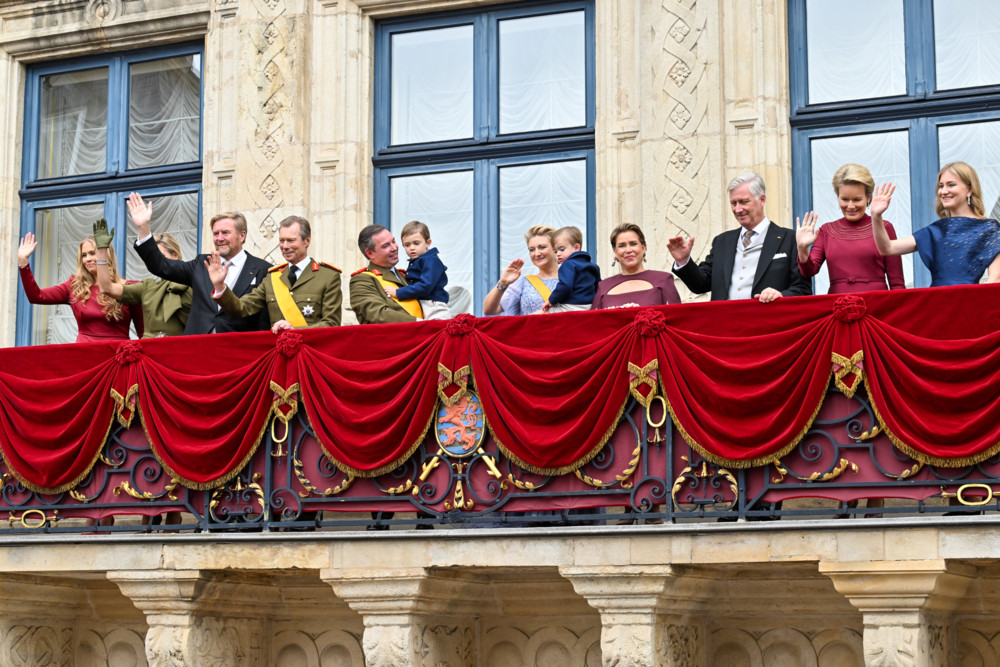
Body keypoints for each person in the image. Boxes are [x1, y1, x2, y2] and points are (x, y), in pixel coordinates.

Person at [131, 193, 272, 334]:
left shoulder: (263, 269)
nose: (219, 238)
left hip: (238, 348)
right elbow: (161, 266)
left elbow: (264, 318)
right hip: (198, 347)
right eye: (216, 234)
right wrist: (143, 228)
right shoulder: (201, 263)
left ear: (242, 235)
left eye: (225, 233)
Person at [668, 172, 811, 302]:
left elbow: (802, 289)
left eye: (743, 202)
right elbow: (700, 285)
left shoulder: (790, 239)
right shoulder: (722, 241)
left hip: (768, 325)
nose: (737, 209)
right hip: (725, 326)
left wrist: (780, 295)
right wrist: (684, 261)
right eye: (733, 203)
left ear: (762, 200)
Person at [872, 162, 1000, 285]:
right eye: (941, 186)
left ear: (969, 190)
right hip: (937, 302)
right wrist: (876, 216)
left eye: (951, 185)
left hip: (970, 302)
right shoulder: (937, 230)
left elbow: (995, 279)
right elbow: (887, 248)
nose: (943, 191)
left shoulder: (990, 229)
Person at [209, 216, 342, 331]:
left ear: (307, 241)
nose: (284, 246)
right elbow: (241, 308)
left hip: (311, 352)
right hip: (279, 354)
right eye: (281, 240)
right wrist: (220, 285)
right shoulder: (273, 277)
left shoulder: (328, 276)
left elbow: (332, 324)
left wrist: (294, 330)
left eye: (290, 240)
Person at [796, 163, 905, 293]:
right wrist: (802, 249)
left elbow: (897, 282)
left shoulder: (885, 227)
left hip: (878, 305)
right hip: (838, 305)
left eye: (857, 199)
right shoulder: (826, 231)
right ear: (838, 198)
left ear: (868, 198)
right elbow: (809, 272)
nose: (851, 205)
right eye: (845, 199)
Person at [17, 232, 142, 343]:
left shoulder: (130, 288)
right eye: (84, 255)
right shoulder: (74, 287)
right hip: (84, 356)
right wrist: (23, 262)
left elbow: (142, 332)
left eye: (92, 253)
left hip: (118, 357)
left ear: (106, 255)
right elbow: (36, 296)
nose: (87, 259)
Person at [93, 220, 192, 338]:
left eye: (160, 257)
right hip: (150, 351)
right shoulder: (148, 287)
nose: (157, 263)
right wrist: (102, 250)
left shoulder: (195, 282)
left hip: (182, 351)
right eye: (154, 259)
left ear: (175, 255)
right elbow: (106, 288)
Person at [591, 223, 681, 309]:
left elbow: (677, 318)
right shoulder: (603, 286)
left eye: (633, 244)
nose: (628, 250)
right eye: (622, 246)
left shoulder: (663, 279)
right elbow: (594, 322)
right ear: (615, 251)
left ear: (643, 247)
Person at [350, 225, 421, 324]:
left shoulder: (405, 275)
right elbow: (379, 314)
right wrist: (421, 322)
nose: (394, 248)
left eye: (393, 241)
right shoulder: (361, 280)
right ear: (370, 254)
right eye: (386, 245)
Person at [482, 225, 558, 316]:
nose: (536, 253)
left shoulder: (574, 280)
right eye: (532, 249)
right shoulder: (523, 283)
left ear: (555, 249)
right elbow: (489, 310)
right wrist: (503, 283)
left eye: (542, 247)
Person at [383, 221, 450, 320]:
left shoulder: (431, 260)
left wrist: (398, 292)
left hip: (434, 306)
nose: (412, 248)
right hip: (423, 304)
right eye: (407, 245)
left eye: (416, 243)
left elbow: (426, 285)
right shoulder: (418, 260)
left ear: (428, 243)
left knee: (436, 332)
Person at [541, 226, 600, 313]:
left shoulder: (568, 264)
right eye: (555, 251)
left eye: (562, 249)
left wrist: (551, 300)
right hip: (590, 306)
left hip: (571, 306)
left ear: (576, 248)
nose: (558, 254)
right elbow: (598, 286)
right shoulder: (593, 266)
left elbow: (565, 285)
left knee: (545, 313)